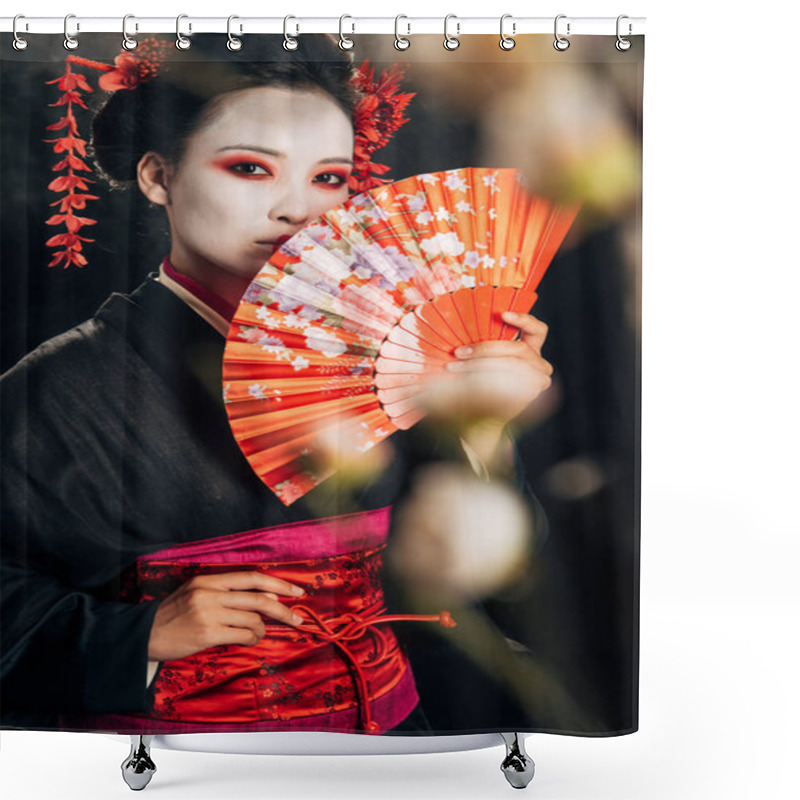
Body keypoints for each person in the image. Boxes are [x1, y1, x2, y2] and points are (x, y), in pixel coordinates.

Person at [0, 34, 565, 735]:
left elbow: (490, 577)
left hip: (394, 735)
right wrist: (139, 633)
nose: (299, 211)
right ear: (157, 176)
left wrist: (483, 432)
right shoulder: (58, 389)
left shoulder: (391, 354)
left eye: (328, 179)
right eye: (251, 168)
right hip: (188, 759)